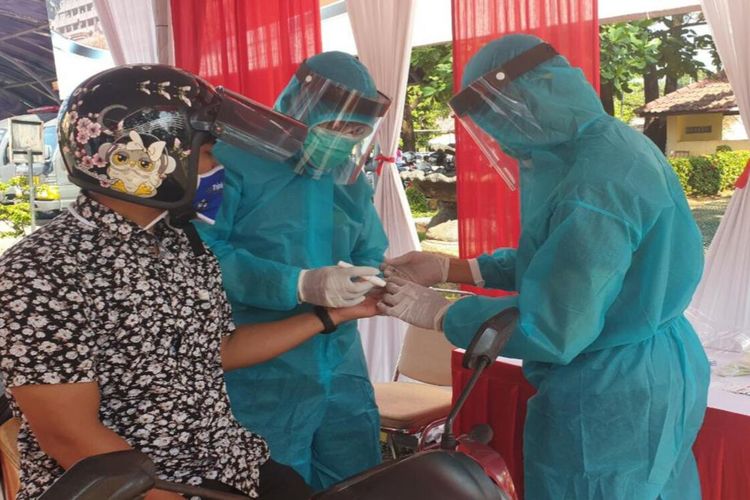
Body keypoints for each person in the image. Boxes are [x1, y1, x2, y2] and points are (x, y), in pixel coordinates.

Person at [0, 64, 381, 500]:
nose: (219, 169)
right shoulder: (42, 270)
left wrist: (330, 316)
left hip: (229, 463)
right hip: (137, 485)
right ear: (139, 159)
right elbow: (69, 436)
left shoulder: (180, 244)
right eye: (207, 155)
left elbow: (218, 349)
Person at [379, 34, 710, 500]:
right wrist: (451, 267)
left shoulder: (598, 179)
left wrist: (441, 313)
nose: (500, 138)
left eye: (498, 120)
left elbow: (557, 325)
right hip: (652, 365)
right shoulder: (603, 147)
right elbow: (564, 261)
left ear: (532, 99)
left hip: (609, 384)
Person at [197, 51, 391, 489]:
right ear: (302, 106)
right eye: (335, 126)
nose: (343, 139)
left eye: (355, 131)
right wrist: (296, 283)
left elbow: (369, 245)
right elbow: (202, 252)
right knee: (272, 475)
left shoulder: (346, 174)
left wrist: (373, 277)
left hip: (339, 352)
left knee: (355, 474)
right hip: (262, 358)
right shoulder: (227, 161)